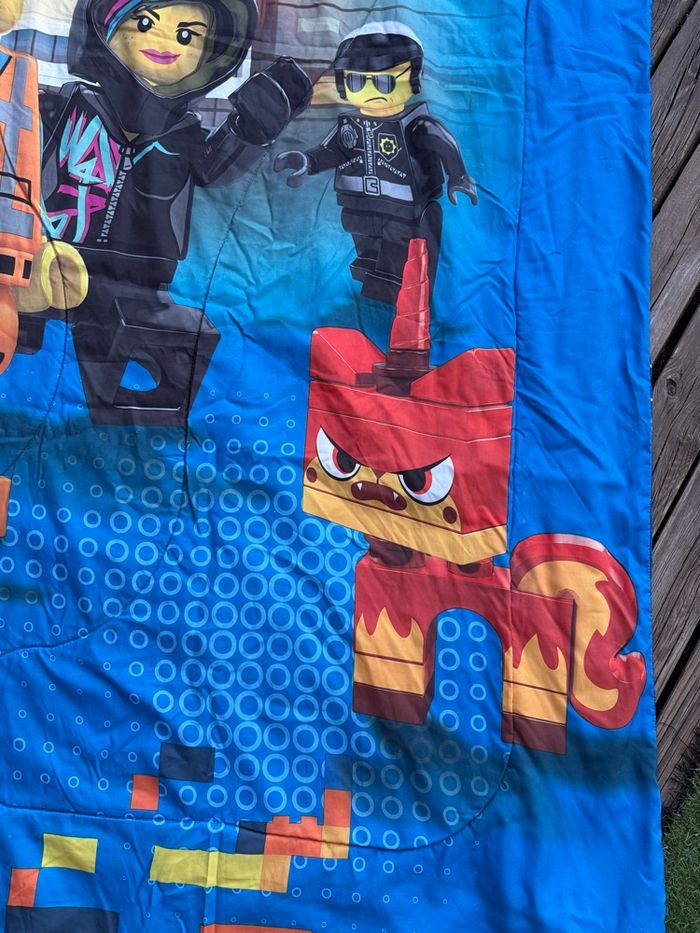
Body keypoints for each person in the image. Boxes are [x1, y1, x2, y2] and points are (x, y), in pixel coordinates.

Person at [17, 0, 311, 425]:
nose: (165, 43)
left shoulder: (183, 133)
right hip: (49, 260)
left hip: (141, 280)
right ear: (104, 29)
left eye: (187, 35)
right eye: (144, 23)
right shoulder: (63, 105)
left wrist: (252, 127)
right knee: (20, 325)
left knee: (157, 374)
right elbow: (17, 136)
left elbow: (215, 169)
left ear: (210, 57)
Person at [275, 22, 477, 306]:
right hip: (357, 204)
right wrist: (307, 160)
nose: (371, 91)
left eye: (384, 83)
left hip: (404, 208)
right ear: (344, 84)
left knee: (396, 258)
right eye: (358, 82)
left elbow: (441, 142)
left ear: (412, 78)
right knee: (366, 254)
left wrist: (458, 176)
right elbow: (331, 151)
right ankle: (373, 289)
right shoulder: (349, 126)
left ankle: (389, 296)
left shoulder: (416, 125)